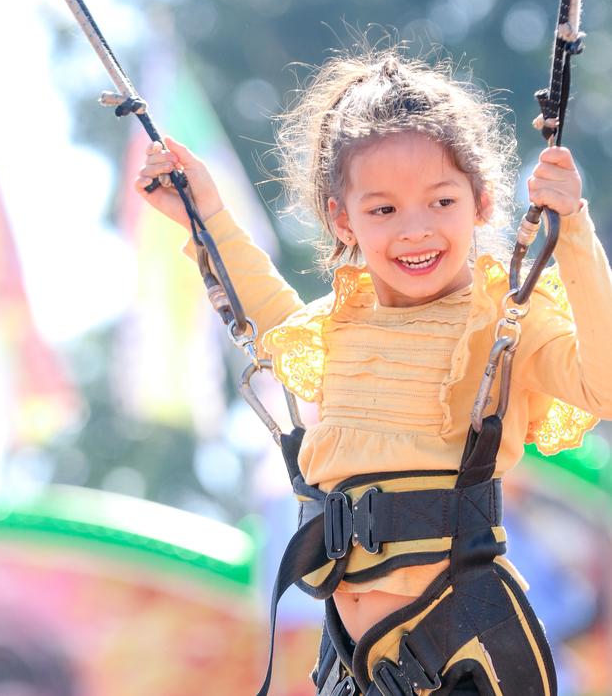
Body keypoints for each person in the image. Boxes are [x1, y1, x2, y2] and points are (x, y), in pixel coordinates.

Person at [135, 47, 612, 695]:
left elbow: (601, 384)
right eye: (383, 209)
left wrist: (574, 229)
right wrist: (206, 214)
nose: (415, 230)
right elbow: (271, 318)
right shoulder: (342, 325)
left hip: (461, 651)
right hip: (355, 664)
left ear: (481, 202)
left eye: (441, 201)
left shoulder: (503, 321)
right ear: (342, 218)